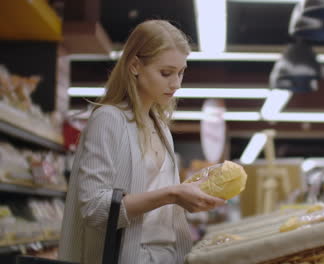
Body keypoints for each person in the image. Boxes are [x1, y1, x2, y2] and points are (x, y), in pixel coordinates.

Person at [58, 20, 225, 264]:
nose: (176, 84)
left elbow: (157, 197)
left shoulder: (160, 127)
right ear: (135, 65)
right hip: (128, 256)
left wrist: (197, 190)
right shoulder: (109, 119)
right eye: (166, 73)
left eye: (181, 73)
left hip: (168, 255)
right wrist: (171, 194)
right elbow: (94, 208)